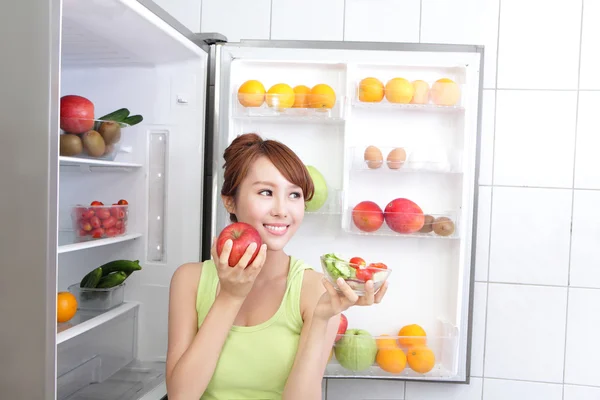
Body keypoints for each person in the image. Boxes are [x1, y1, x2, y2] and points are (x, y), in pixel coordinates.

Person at [165, 133, 388, 400]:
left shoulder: (315, 290)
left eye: (294, 194)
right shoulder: (189, 280)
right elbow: (180, 395)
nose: (282, 210)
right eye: (266, 192)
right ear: (230, 201)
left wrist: (321, 319)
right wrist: (230, 297)